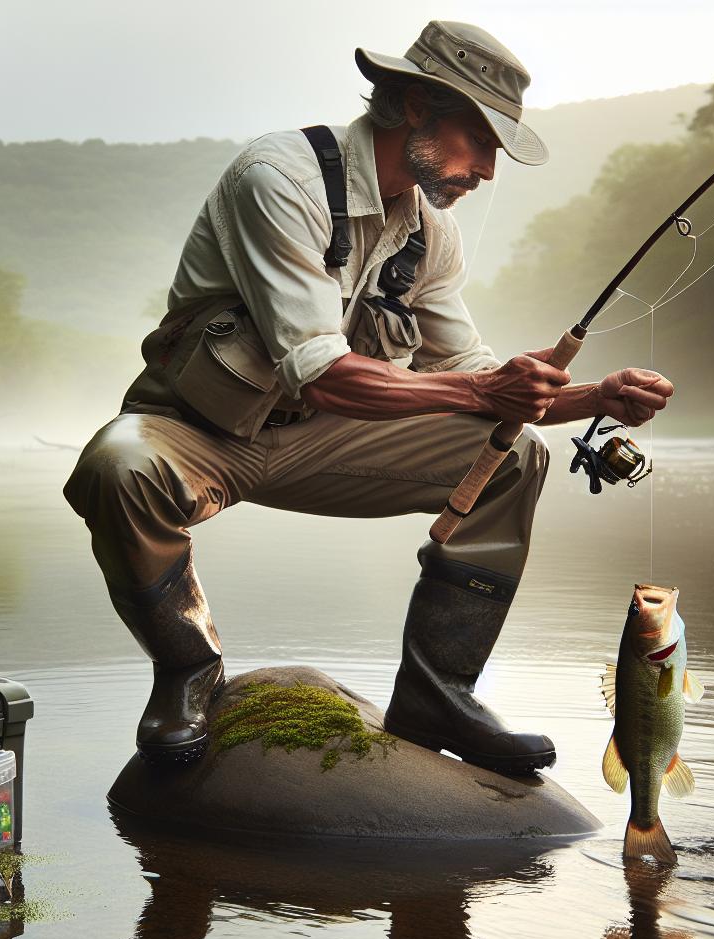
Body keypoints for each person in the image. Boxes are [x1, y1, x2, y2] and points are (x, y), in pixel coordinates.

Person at [64, 21, 673, 773]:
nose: (487, 170)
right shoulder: (278, 177)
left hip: (325, 438)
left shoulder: (432, 234)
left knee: (515, 454)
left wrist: (596, 395)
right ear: (416, 104)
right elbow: (319, 368)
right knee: (116, 465)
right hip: (197, 433)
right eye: (481, 139)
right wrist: (486, 385)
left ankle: (437, 692)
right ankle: (188, 671)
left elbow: (478, 382)